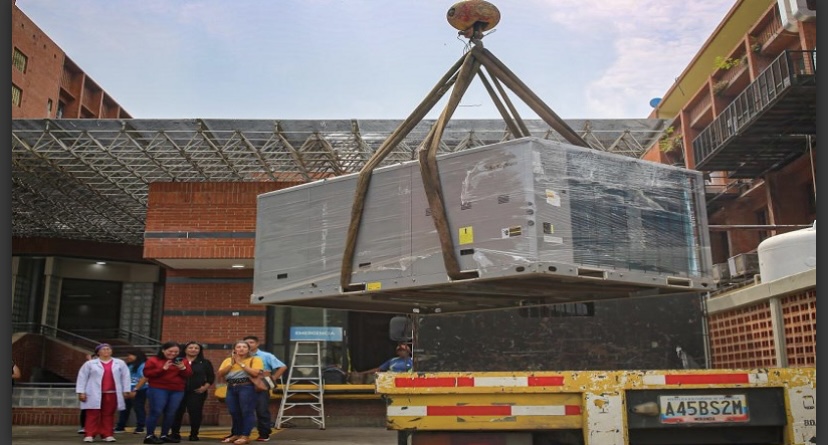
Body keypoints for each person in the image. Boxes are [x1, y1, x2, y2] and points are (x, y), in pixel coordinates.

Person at [75, 343, 132, 443]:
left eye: (108, 349)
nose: (106, 351)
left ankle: (107, 434)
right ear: (98, 352)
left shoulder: (119, 363)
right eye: (104, 349)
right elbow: (82, 377)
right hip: (94, 392)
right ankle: (89, 434)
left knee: (108, 414)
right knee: (92, 413)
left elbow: (125, 376)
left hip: (112, 392)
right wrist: (81, 392)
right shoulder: (90, 364)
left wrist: (126, 390)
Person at [142, 341, 193, 445]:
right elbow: (147, 373)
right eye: (170, 351)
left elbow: (188, 374)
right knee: (156, 411)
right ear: (163, 350)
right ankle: (149, 435)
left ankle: (164, 435)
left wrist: (182, 368)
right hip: (158, 388)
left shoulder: (182, 360)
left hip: (177, 390)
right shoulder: (154, 360)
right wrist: (163, 369)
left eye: (176, 352)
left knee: (171, 413)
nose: (173, 354)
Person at [217, 340, 265, 445]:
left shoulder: (255, 359)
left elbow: (255, 373)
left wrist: (240, 363)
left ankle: (245, 435)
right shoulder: (228, 360)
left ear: (248, 349)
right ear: (234, 349)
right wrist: (231, 364)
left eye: (244, 347)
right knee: (234, 412)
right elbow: (220, 374)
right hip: (231, 387)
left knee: (247, 411)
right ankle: (236, 434)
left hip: (246, 387)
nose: (241, 349)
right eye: (238, 347)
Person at [243, 335, 286, 443]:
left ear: (257, 344)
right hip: (244, 386)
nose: (248, 344)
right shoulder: (241, 355)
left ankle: (264, 434)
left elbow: (282, 367)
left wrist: (272, 380)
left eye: (251, 342)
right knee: (243, 411)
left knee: (262, 410)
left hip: (261, 386)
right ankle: (240, 433)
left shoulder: (266, 356)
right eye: (246, 342)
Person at [170, 341, 215, 442]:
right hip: (179, 391)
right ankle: (175, 433)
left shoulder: (205, 362)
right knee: (177, 412)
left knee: (195, 413)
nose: (193, 350)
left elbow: (211, 377)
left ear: (199, 351)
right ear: (185, 349)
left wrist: (205, 387)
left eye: (196, 348)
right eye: (191, 348)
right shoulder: (178, 361)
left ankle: (194, 434)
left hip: (197, 392)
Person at [115, 349, 148, 434]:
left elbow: (144, 378)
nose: (128, 357)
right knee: (124, 409)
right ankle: (120, 426)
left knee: (138, 408)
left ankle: (140, 427)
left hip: (139, 390)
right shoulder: (129, 365)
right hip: (127, 389)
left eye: (130, 355)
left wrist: (135, 389)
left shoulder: (142, 365)